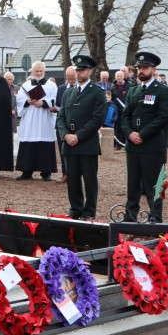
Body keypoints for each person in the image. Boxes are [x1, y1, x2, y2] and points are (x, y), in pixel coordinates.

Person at [120, 52, 168, 223]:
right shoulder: (133, 91)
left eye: (145, 68)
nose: (141, 71)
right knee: (132, 182)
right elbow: (125, 116)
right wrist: (130, 133)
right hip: (133, 145)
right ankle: (130, 214)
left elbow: (163, 117)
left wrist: (142, 134)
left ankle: (155, 216)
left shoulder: (163, 91)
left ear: (153, 69)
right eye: (139, 68)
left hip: (152, 145)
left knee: (153, 184)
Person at [56, 55, 107, 219]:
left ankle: (89, 210)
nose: (78, 73)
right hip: (69, 144)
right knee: (72, 179)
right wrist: (65, 135)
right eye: (77, 70)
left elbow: (97, 118)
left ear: (90, 71)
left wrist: (78, 136)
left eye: (82, 70)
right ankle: (75, 208)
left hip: (86, 143)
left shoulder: (97, 92)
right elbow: (61, 116)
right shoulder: (68, 92)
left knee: (90, 179)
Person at [15, 61, 58, 180]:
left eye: (40, 71)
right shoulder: (26, 85)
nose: (38, 73)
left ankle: (46, 172)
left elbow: (55, 100)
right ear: (32, 72)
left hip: (44, 117)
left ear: (44, 71)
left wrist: (43, 103)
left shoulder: (51, 85)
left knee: (45, 144)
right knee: (28, 142)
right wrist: (27, 102)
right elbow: (19, 100)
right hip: (30, 118)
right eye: (36, 71)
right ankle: (26, 171)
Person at [53, 66, 77, 183]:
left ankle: (75, 174)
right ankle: (65, 173)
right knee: (63, 150)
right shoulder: (61, 88)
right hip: (62, 123)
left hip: (75, 124)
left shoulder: (79, 89)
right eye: (69, 78)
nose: (71, 81)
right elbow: (58, 104)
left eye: (73, 78)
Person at [110, 70, 130, 150]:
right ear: (115, 77)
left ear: (123, 77)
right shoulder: (112, 87)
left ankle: (127, 144)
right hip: (117, 111)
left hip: (126, 110)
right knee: (117, 128)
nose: (119, 78)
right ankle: (118, 144)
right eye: (117, 76)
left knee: (126, 127)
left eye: (120, 76)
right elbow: (111, 99)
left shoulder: (129, 86)